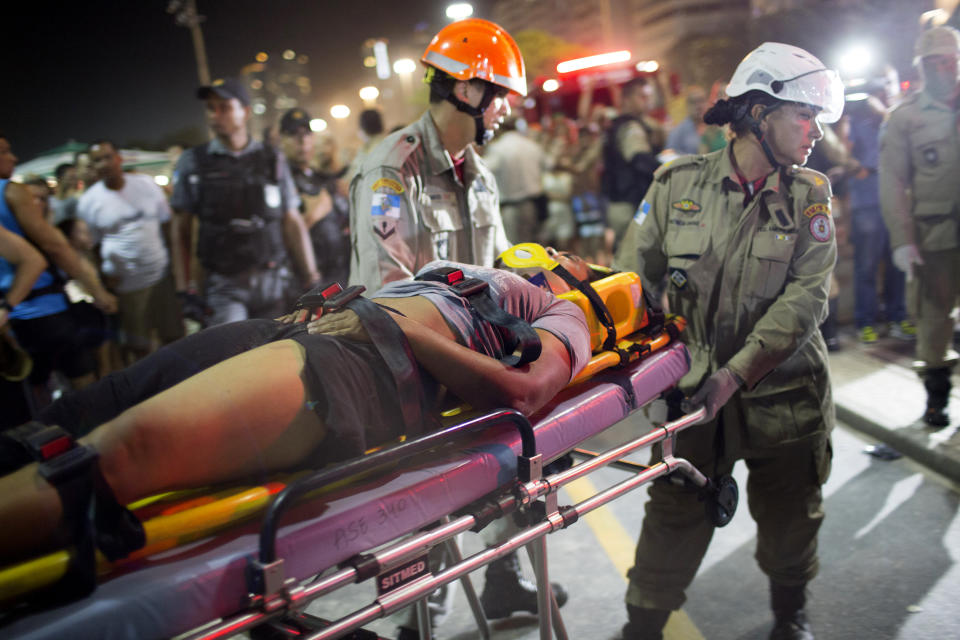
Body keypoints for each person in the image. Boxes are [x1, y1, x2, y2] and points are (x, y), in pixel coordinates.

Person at [0, 258, 590, 577]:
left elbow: (525, 393)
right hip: (293, 331)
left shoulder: (565, 313)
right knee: (76, 414)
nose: (564, 254)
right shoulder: (462, 267)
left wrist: (395, 327)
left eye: (578, 260)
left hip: (357, 370)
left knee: (123, 454)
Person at [614, 42, 843, 640]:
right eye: (804, 115)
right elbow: (632, 282)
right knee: (670, 517)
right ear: (759, 115)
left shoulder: (810, 194)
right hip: (693, 399)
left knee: (793, 515)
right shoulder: (674, 183)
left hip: (784, 394)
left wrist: (735, 373)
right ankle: (642, 627)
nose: (815, 131)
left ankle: (790, 616)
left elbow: (808, 296)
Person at [348, 17, 517, 292]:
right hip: (418, 334)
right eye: (500, 95)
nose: (506, 110)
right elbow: (387, 288)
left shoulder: (481, 175)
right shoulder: (393, 168)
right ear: (464, 90)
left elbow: (499, 266)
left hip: (476, 332)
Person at [170, 78, 319, 326]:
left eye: (224, 107)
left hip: (274, 282)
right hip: (225, 285)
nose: (215, 115)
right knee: (235, 357)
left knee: (279, 355)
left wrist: (311, 277)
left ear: (246, 112)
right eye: (210, 108)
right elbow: (181, 231)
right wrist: (185, 289)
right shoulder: (193, 161)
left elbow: (292, 221)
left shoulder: (272, 159)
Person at [0, 133, 117, 416]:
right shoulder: (11, 191)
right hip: (44, 311)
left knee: (33, 401)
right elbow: (55, 247)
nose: (13, 158)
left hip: (12, 323)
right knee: (84, 387)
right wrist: (98, 292)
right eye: (4, 152)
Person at [879, 25, 960, 428]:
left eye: (950, 59)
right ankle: (937, 399)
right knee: (933, 318)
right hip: (935, 235)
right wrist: (901, 241)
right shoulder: (905, 118)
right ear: (923, 67)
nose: (946, 67)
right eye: (936, 62)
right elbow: (892, 182)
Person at [78, 141, 184, 364]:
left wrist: (176, 267)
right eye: (97, 160)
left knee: (174, 337)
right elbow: (93, 247)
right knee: (139, 346)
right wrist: (104, 281)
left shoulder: (145, 185)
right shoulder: (89, 202)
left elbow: (166, 224)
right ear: (93, 166)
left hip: (160, 277)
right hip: (127, 286)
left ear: (119, 158)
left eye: (108, 157)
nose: (104, 163)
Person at [844, 66, 912, 345]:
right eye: (881, 88)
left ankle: (898, 317)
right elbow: (842, 151)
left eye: (889, 86)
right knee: (867, 266)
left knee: (898, 263)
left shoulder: (896, 119)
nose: (886, 92)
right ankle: (866, 322)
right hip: (867, 202)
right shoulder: (855, 120)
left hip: (895, 201)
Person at [279, 108, 351, 288]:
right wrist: (313, 215)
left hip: (338, 273)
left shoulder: (321, 178)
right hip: (304, 281)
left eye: (306, 134)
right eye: (294, 134)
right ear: (282, 139)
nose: (302, 140)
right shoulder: (278, 180)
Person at [602, 76, 665, 245]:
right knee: (631, 259)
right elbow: (640, 160)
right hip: (629, 204)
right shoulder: (630, 126)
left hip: (623, 201)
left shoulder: (621, 124)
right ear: (626, 99)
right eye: (641, 96)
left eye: (648, 96)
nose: (647, 101)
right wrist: (668, 168)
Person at [483, 115, 547, 245]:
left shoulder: (498, 148)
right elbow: (548, 165)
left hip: (510, 207)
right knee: (532, 247)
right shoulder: (532, 145)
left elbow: (485, 169)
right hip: (532, 204)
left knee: (513, 250)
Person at [664, 85, 710, 156]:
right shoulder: (678, 132)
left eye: (701, 100)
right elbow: (669, 155)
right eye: (693, 102)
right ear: (687, 105)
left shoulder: (716, 126)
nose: (699, 106)